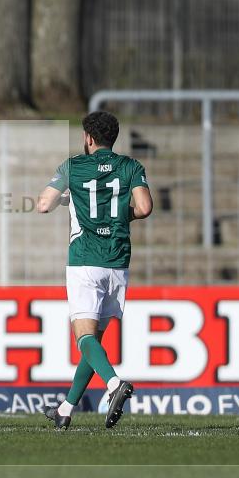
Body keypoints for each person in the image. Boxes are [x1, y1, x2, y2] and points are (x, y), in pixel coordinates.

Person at [37, 110, 153, 430]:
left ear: (88, 138)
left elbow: (43, 203)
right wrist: (115, 217)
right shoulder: (131, 166)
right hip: (117, 261)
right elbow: (144, 207)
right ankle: (66, 408)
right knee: (93, 343)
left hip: (85, 259)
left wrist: (63, 197)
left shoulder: (72, 166)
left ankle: (114, 384)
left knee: (84, 337)